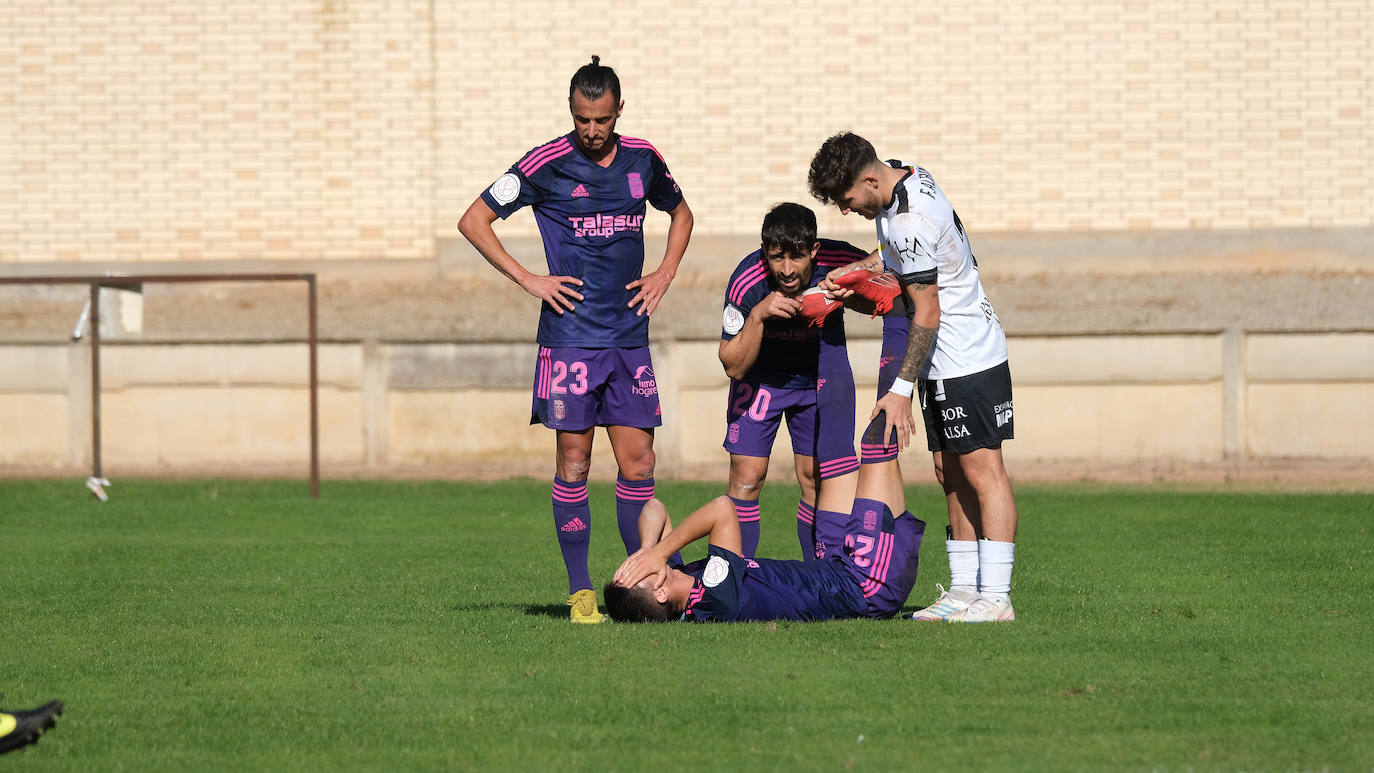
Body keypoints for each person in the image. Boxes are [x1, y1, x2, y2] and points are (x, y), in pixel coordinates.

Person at [457, 56, 694, 623]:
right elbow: (473, 221)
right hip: (568, 340)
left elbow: (682, 213)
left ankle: (641, 580)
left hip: (628, 337)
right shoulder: (546, 164)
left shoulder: (643, 159)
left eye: (603, 120)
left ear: (618, 112)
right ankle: (581, 590)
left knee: (639, 464)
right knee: (575, 460)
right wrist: (530, 280)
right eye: (584, 119)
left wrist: (666, 271)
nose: (593, 131)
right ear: (572, 111)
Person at [808, 132, 1019, 623]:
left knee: (984, 471)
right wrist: (857, 273)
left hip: (968, 357)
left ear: (868, 179)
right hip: (946, 362)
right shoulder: (901, 174)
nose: (846, 211)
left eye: (847, 200)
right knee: (950, 472)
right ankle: (965, 591)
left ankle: (998, 597)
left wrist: (899, 391)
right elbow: (897, 255)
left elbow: (924, 311)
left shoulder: (909, 219)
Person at [604, 448, 923, 623]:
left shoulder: (677, 576)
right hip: (864, 587)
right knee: (878, 442)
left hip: (838, 567)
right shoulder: (713, 599)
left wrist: (647, 548)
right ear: (660, 593)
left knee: (834, 456)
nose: (639, 565)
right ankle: (898, 332)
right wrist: (658, 554)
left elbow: (654, 507)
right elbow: (722, 509)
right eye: (636, 574)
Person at [718, 202, 866, 559]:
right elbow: (732, 366)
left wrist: (853, 289)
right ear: (764, 252)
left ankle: (816, 579)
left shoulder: (837, 259)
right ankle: (737, 579)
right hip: (759, 382)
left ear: (814, 250)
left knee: (815, 480)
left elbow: (888, 269)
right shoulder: (746, 282)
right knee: (747, 479)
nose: (786, 270)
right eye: (776, 258)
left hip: (815, 383)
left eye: (797, 257)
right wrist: (757, 317)